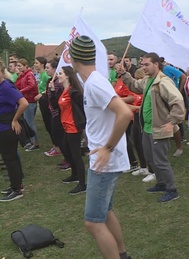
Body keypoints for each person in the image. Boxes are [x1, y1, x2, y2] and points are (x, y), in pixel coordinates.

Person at [69, 35, 132, 259]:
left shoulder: (95, 83)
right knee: (104, 213)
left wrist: (107, 147)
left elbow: (124, 115)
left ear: (74, 58)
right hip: (105, 160)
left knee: (92, 222)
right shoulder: (95, 81)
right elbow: (115, 106)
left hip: (104, 162)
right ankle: (122, 254)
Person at [120, 52, 185, 202]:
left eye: (147, 64)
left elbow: (178, 101)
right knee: (150, 157)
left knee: (161, 160)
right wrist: (124, 74)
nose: (144, 67)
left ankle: (172, 190)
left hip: (159, 128)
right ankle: (161, 183)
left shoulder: (163, 82)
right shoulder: (148, 80)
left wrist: (172, 122)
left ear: (156, 64)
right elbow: (135, 86)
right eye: (142, 64)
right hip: (148, 128)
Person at [49, 66, 87, 194]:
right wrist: (53, 92)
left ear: (68, 76)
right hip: (65, 126)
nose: (58, 75)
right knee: (66, 150)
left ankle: (82, 184)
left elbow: (83, 108)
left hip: (73, 127)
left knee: (76, 155)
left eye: (60, 73)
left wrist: (83, 124)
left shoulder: (73, 92)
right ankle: (74, 175)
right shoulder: (63, 91)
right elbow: (54, 106)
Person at [0, 62, 28, 202]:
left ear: (1, 71)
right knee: (9, 158)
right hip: (2, 127)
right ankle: (16, 185)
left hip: (7, 128)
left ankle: (17, 189)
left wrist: (15, 120)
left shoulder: (6, 87)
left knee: (10, 158)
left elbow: (24, 103)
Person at [15, 58, 39, 151]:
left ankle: (35, 143)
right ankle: (32, 142)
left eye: (20, 66)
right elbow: (17, 85)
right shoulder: (22, 75)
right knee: (27, 122)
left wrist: (21, 91)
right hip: (26, 100)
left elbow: (32, 85)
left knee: (30, 123)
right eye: (17, 66)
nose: (18, 67)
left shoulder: (29, 74)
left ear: (26, 66)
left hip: (30, 100)